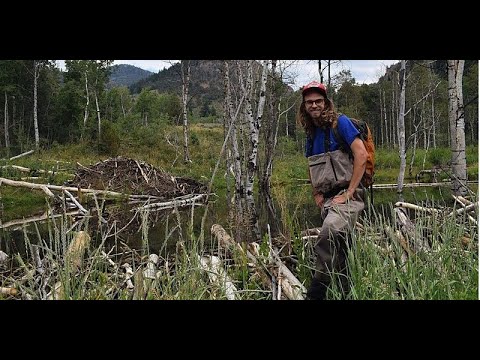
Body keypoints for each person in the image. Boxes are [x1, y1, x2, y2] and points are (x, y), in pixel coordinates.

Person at [296, 81, 368, 300]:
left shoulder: (341, 123)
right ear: (304, 106)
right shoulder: (311, 132)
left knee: (330, 231)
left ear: (326, 102)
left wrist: (350, 191)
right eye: (310, 102)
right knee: (342, 248)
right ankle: (345, 291)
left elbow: (361, 155)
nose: (314, 105)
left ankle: (316, 292)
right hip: (327, 199)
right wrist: (316, 193)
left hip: (348, 195)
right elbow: (311, 165)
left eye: (318, 101)